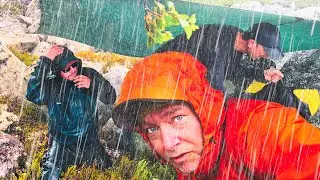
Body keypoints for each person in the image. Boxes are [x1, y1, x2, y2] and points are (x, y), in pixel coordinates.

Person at [112, 52, 320, 179]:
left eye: (177, 118)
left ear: (202, 111)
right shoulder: (191, 153)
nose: (168, 144)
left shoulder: (259, 127)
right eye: (152, 128)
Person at [155, 22, 312, 119]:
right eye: (266, 51)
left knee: (270, 93)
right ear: (252, 43)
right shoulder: (218, 43)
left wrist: (262, 74)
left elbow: (232, 71)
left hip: (184, 74)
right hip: (162, 70)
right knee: (222, 105)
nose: (265, 55)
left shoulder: (235, 38)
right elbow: (216, 83)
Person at [26, 45, 116, 179]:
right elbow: (32, 95)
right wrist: (45, 63)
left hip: (88, 138)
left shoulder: (89, 74)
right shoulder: (52, 84)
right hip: (62, 141)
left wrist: (93, 85)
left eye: (74, 65)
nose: (72, 70)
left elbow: (111, 97)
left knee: (108, 168)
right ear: (57, 71)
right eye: (66, 69)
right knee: (50, 174)